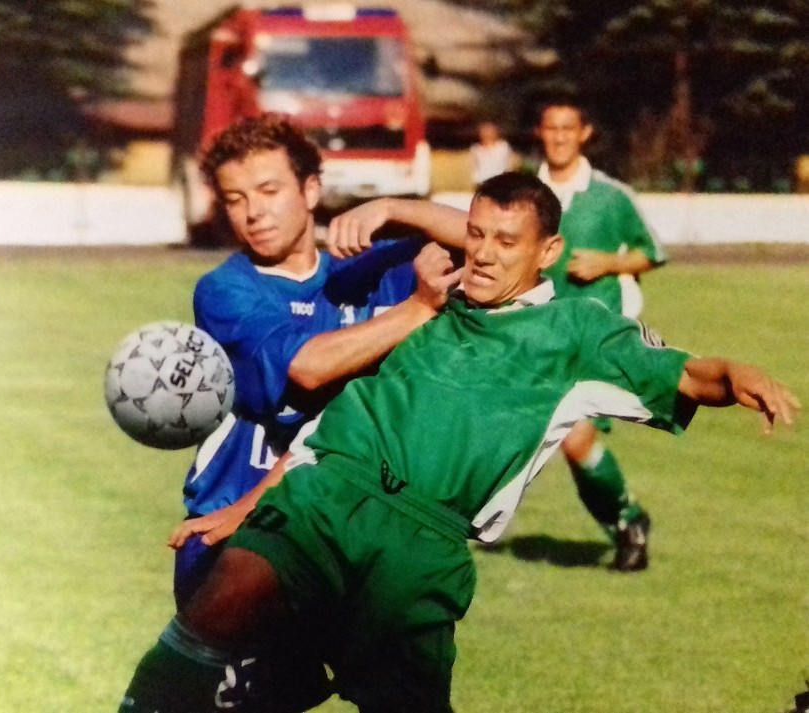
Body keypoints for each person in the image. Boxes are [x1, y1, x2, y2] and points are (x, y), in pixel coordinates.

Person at [117, 172, 799, 713]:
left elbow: (683, 373)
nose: (483, 253)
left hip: (420, 546)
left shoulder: (579, 333)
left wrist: (737, 373)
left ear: (548, 253)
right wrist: (243, 509)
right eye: (475, 234)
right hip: (324, 496)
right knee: (219, 605)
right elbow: (332, 430)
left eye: (506, 241)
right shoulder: (433, 300)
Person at [162, 114, 466, 709]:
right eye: (235, 199)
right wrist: (417, 312)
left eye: (270, 190)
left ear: (309, 191)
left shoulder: (370, 269)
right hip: (243, 535)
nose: (253, 211)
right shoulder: (227, 291)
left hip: (352, 531)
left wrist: (396, 208)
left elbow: (488, 239)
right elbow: (308, 367)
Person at [534, 97, 670, 570]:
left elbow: (651, 252)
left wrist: (609, 262)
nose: (558, 137)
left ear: (585, 133)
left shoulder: (611, 196)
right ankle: (626, 521)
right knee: (561, 448)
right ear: (540, 133)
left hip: (595, 337)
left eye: (567, 128)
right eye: (551, 128)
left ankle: (628, 521)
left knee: (574, 438)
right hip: (536, 335)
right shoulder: (526, 195)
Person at [469, 120, 515, 187]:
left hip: (499, 181)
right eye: (484, 131)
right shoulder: (475, 149)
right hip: (480, 181)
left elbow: (509, 165)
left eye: (489, 131)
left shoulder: (503, 147)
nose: (487, 134)